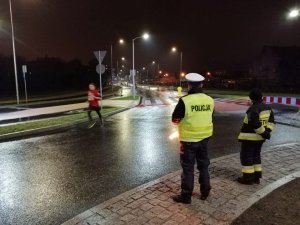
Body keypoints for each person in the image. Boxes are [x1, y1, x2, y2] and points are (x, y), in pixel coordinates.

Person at [172, 73, 214, 204]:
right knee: (203, 166)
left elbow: (175, 119)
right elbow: (210, 116)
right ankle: (205, 192)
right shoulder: (210, 100)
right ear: (201, 84)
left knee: (188, 169)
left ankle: (186, 196)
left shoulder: (185, 101)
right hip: (205, 139)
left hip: (188, 140)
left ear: (189, 85)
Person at [237, 88, 275, 185]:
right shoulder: (268, 108)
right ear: (261, 97)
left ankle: (248, 178)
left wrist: (263, 133)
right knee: (256, 156)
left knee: (246, 157)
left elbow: (254, 124)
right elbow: (272, 122)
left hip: (249, 138)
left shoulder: (252, 109)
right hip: (260, 139)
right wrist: (267, 131)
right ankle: (256, 177)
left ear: (251, 98)